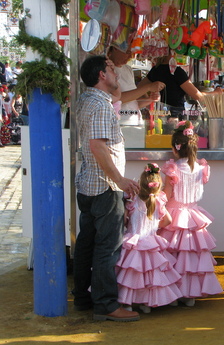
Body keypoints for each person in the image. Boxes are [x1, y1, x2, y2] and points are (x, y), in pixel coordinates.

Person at [73, 55, 141, 322]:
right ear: (102, 74)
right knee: (107, 248)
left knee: (87, 245)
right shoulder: (100, 106)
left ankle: (82, 297)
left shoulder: (88, 100)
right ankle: (106, 305)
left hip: (89, 185)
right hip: (104, 187)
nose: (116, 73)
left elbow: (119, 94)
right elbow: (98, 146)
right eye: (112, 69)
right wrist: (120, 180)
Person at [158, 120, 223, 306]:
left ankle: (172, 293)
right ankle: (190, 295)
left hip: (173, 214)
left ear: (175, 149)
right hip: (193, 214)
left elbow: (167, 194)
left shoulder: (172, 168)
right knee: (191, 256)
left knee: (172, 254)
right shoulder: (201, 168)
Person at [115, 163, 182, 313]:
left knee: (131, 274)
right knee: (152, 275)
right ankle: (147, 304)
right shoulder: (159, 201)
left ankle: (128, 303)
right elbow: (168, 221)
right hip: (151, 241)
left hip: (133, 242)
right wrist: (155, 226)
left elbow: (125, 219)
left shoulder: (132, 200)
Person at [138, 54, 203, 120]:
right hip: (175, 115)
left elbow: (140, 87)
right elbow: (197, 96)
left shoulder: (155, 70)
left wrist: (148, 101)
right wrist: (212, 93)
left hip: (159, 113)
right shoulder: (177, 72)